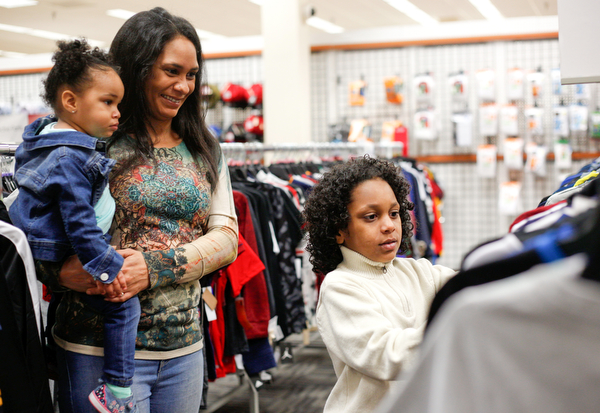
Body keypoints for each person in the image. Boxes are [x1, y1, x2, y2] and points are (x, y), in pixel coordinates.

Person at [33, 7, 239, 413]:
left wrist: (155, 266)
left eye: (192, 74)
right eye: (171, 71)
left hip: (184, 348)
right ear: (137, 69)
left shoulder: (204, 147)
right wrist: (58, 272)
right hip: (96, 351)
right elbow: (35, 230)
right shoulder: (86, 139)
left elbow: (227, 238)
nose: (183, 85)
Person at [9, 38, 141, 413]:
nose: (118, 113)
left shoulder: (45, 142)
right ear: (70, 102)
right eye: (108, 102)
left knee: (60, 302)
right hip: (65, 247)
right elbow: (79, 223)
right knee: (124, 305)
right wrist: (107, 269)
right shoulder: (70, 157)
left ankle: (52, 355)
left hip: (48, 245)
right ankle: (116, 390)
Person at [302, 155, 456, 413]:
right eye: (371, 217)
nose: (388, 226)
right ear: (339, 229)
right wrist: (455, 326)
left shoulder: (418, 271)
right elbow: (387, 354)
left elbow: (469, 285)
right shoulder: (340, 287)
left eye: (394, 213)